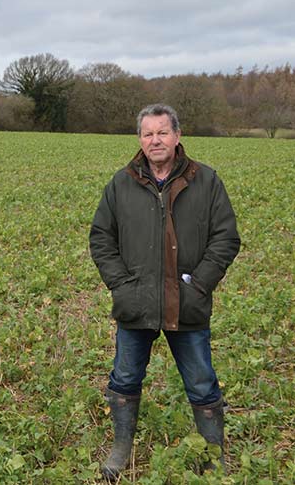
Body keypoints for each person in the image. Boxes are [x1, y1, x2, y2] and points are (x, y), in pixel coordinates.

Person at [89, 104, 240, 479]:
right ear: (139, 139)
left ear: (177, 136)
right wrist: (122, 286)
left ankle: (213, 456)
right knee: (124, 379)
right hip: (135, 303)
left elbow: (226, 238)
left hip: (186, 304)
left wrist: (200, 285)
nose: (154, 140)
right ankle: (121, 449)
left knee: (202, 383)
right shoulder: (121, 183)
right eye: (147, 133)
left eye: (162, 132)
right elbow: (101, 239)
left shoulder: (206, 181)